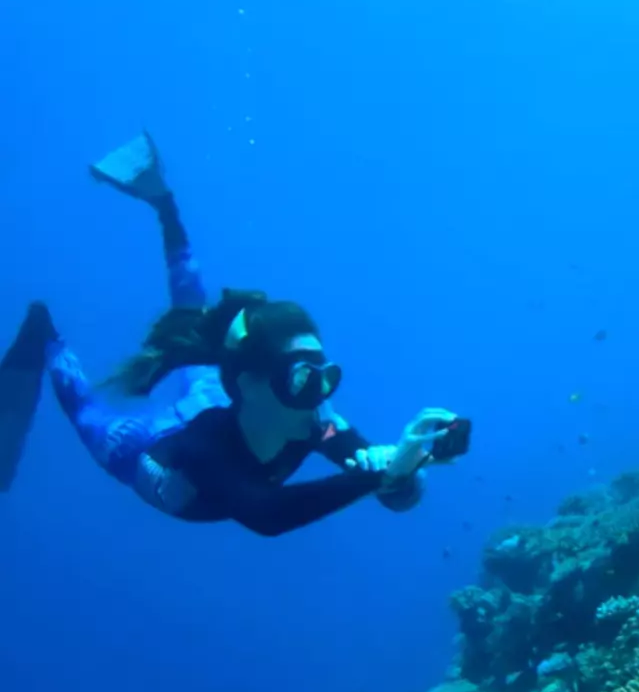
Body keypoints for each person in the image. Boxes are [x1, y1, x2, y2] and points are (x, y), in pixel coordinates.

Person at [0, 133, 462, 536]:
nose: (321, 393)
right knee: (87, 412)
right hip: (144, 448)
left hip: (220, 397)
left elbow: (395, 493)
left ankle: (163, 202)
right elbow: (266, 515)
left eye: (326, 374)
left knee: (198, 324)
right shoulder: (202, 448)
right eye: (303, 377)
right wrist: (375, 478)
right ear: (251, 384)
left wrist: (407, 464)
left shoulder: (315, 420)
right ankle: (43, 332)